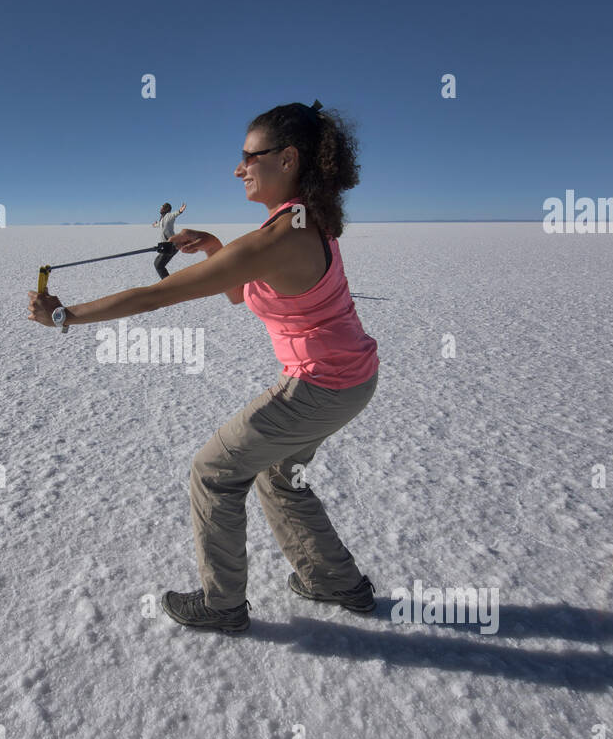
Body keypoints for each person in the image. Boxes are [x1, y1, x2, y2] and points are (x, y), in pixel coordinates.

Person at [26, 101, 380, 634]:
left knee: (214, 470)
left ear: (287, 159)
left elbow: (152, 298)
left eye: (248, 157)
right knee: (280, 475)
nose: (238, 169)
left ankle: (223, 605)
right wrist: (216, 249)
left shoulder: (278, 237)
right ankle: (335, 581)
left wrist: (62, 316)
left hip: (320, 385)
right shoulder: (307, 219)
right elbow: (246, 291)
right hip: (350, 377)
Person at [151, 202, 186, 279]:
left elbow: (175, 214)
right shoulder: (162, 219)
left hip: (172, 245)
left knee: (159, 265)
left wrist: (180, 210)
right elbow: (160, 225)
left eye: (162, 207)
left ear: (166, 208)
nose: (160, 209)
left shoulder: (169, 216)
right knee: (157, 263)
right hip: (166, 246)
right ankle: (168, 283)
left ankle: (168, 284)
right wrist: (155, 225)